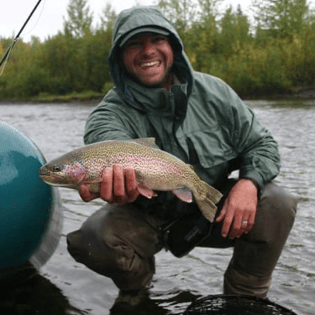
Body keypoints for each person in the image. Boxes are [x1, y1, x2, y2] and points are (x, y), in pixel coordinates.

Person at [66, 6, 298, 313]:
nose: (147, 50)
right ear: (120, 57)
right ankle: (136, 288)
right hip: (144, 216)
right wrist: (111, 182)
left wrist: (248, 183)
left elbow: (262, 144)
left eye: (156, 40)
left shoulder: (215, 93)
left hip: (211, 211)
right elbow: (103, 148)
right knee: (91, 239)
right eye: (135, 43)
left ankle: (246, 297)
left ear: (172, 46)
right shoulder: (108, 115)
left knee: (278, 201)